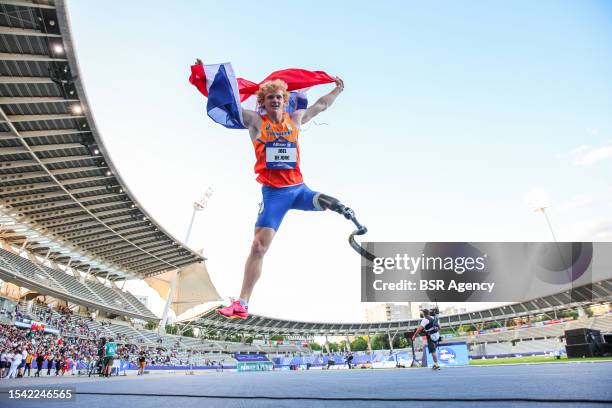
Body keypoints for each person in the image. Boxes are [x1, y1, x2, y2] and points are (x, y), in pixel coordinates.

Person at [205, 60, 352, 319]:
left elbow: (321, 105)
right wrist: (208, 77)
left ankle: (342, 208)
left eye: (280, 97)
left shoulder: (295, 119)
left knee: (333, 202)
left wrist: (337, 90)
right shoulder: (255, 121)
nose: (275, 100)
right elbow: (228, 101)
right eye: (270, 97)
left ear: (286, 101)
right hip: (273, 195)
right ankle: (242, 304)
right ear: (263, 101)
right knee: (258, 248)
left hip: (298, 189)